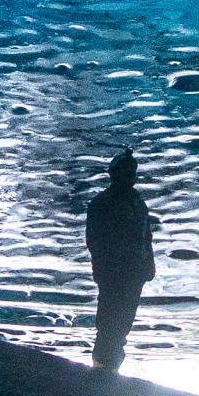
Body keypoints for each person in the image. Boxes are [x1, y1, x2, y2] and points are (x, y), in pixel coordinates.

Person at [82, 150, 154, 373]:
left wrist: (149, 264)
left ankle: (111, 363)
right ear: (114, 173)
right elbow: (94, 239)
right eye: (126, 171)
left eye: (132, 171)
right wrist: (103, 267)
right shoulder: (101, 203)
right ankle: (103, 364)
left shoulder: (138, 204)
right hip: (113, 273)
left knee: (124, 320)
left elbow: (147, 236)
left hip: (135, 272)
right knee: (108, 319)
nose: (130, 175)